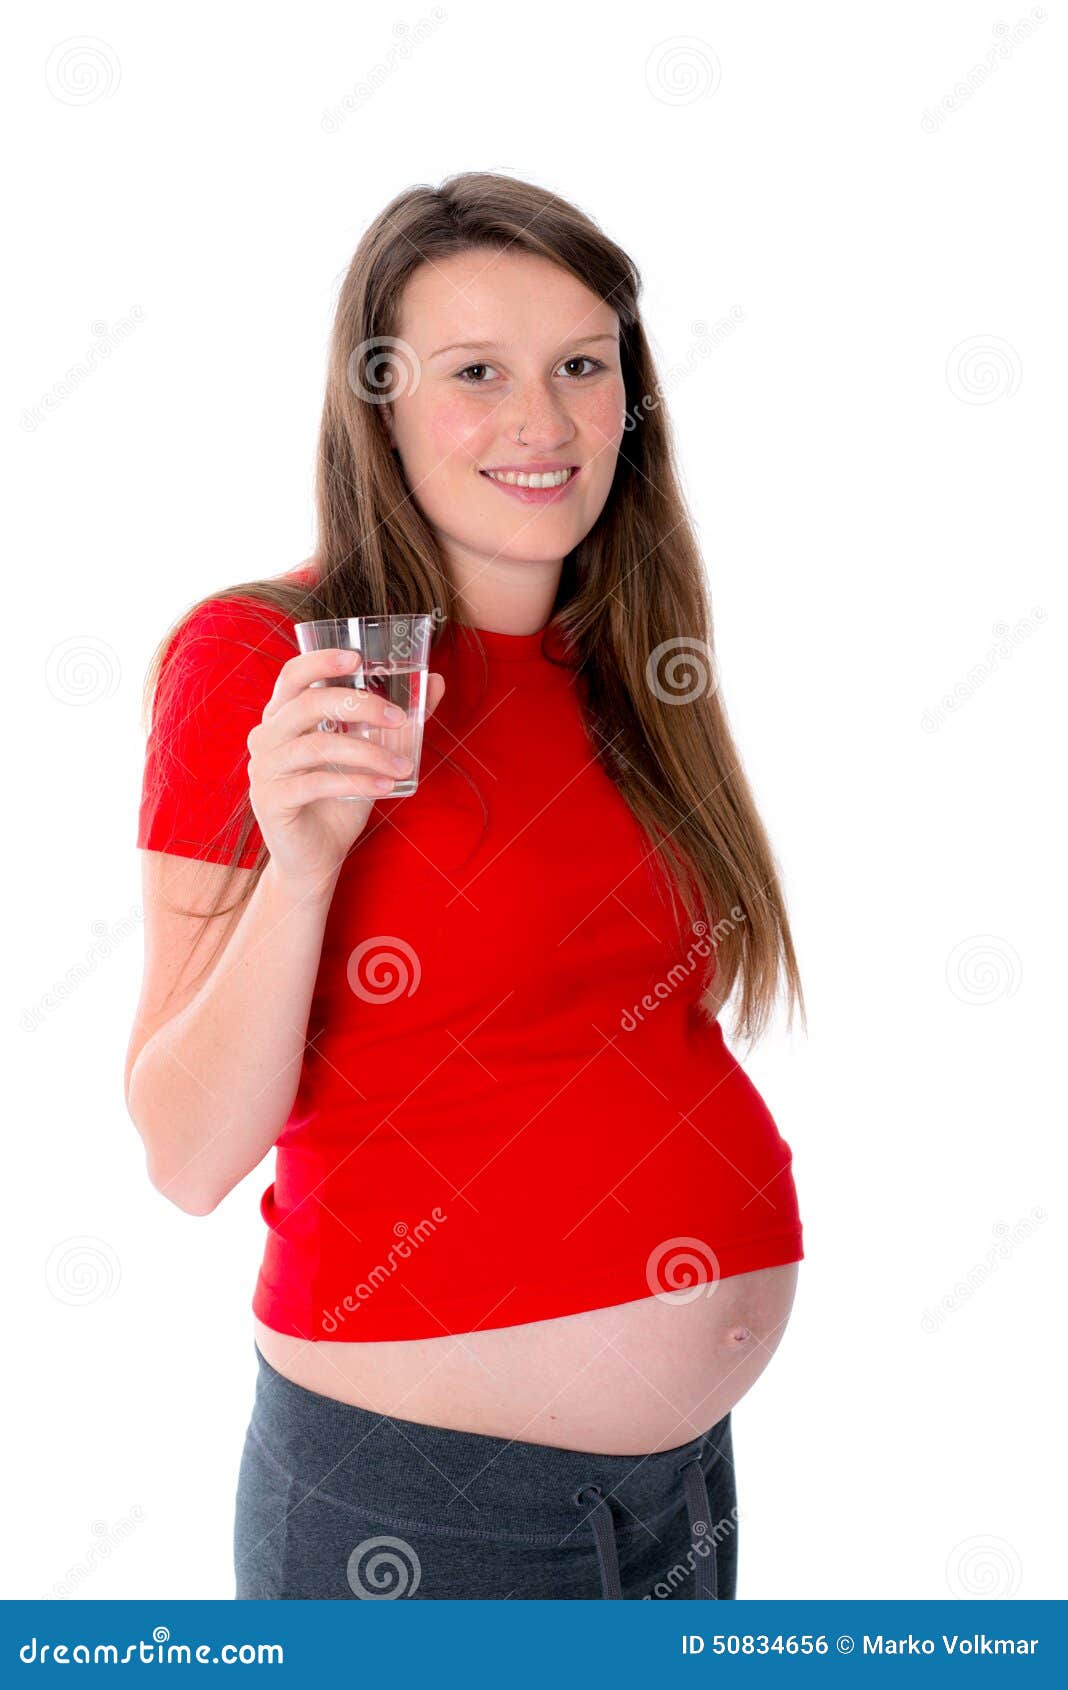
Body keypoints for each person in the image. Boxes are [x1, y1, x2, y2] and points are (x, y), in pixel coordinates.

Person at [126, 170, 806, 1601]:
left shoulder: (630, 668)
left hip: (683, 1492)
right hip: (422, 1510)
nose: (544, 421)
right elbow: (186, 1153)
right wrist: (299, 869)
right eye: (476, 373)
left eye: (582, 366)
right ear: (377, 405)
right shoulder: (265, 663)